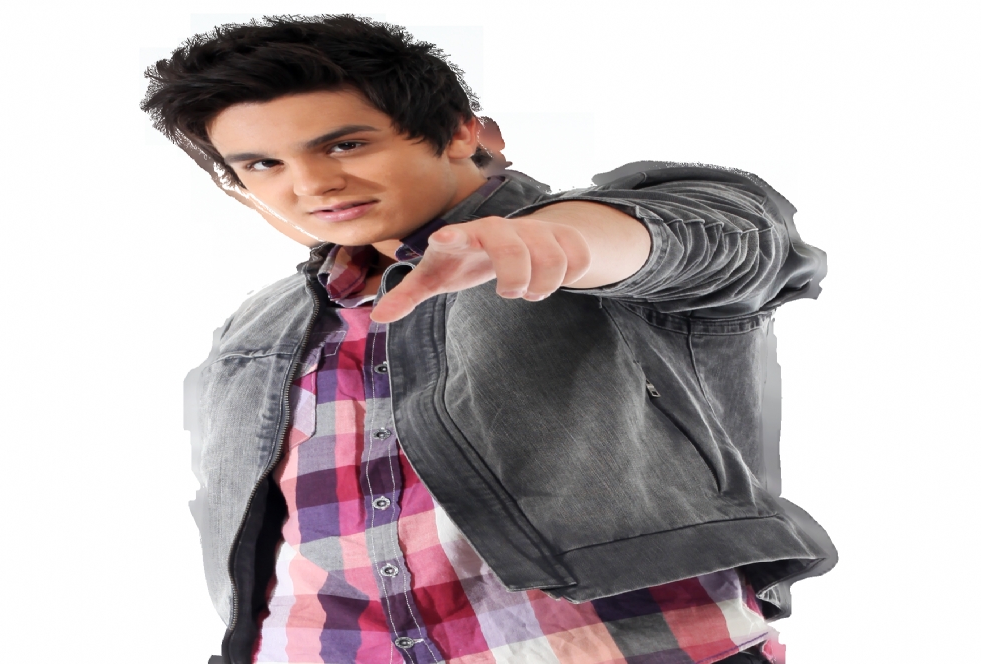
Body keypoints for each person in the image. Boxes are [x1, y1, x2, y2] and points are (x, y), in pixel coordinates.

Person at [141, 14, 835, 664]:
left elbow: (733, 240)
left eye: (346, 144)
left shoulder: (587, 248)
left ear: (461, 133)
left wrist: (560, 241)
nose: (313, 184)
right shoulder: (259, 323)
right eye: (264, 165)